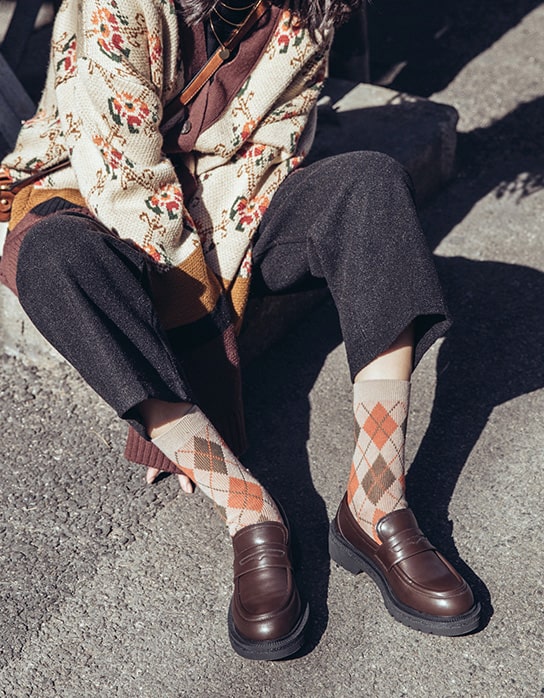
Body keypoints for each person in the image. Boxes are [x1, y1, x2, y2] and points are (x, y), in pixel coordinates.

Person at [0, 0, 480, 661]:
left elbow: (271, 157)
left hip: (227, 207)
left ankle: (377, 500)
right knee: (53, 262)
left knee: (371, 185)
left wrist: (223, 244)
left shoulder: (306, 11)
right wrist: (205, 391)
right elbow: (126, 186)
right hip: (96, 197)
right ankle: (248, 509)